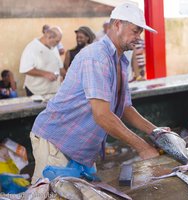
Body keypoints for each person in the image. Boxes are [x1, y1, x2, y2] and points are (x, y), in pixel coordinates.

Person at [29, 3, 160, 183]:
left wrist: (155, 131)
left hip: (81, 150)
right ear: (117, 24)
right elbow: (102, 115)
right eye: (135, 30)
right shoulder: (97, 57)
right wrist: (143, 147)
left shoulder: (120, 61)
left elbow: (125, 107)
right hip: (57, 144)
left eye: (140, 32)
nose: (138, 37)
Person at [19, 26, 65, 96]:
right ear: (49, 37)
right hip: (36, 91)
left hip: (53, 92)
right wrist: (45, 74)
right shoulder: (31, 48)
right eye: (57, 41)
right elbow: (24, 69)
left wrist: (69, 78)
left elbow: (60, 67)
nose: (58, 44)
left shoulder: (53, 46)